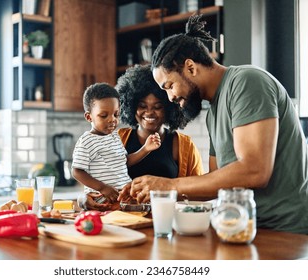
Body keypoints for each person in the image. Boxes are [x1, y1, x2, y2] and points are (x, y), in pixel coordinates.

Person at [122, 15, 308, 234]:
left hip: (284, 232)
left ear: (190, 67)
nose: (170, 97)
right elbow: (214, 185)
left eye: (169, 85)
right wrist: (153, 191)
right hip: (241, 227)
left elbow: (255, 170)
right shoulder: (213, 112)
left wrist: (170, 186)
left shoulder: (247, 82)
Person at [80, 64, 204, 210]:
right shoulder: (115, 139)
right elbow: (93, 186)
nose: (149, 112)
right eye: (142, 106)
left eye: (157, 107)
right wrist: (83, 199)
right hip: (123, 221)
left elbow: (199, 193)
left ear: (169, 108)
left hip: (165, 220)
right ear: (130, 106)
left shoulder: (184, 146)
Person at [71, 83, 161, 204]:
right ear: (89, 117)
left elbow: (124, 161)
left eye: (116, 114)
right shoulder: (87, 141)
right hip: (101, 198)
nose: (112, 119)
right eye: (104, 116)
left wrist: (145, 149)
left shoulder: (115, 136)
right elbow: (77, 171)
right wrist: (103, 188)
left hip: (122, 197)